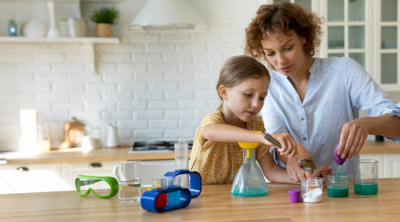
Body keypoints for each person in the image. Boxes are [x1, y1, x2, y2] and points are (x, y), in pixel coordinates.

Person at [244, 2, 400, 181]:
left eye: (288, 48)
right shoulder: (269, 87)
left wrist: (366, 124)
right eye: (271, 53)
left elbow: (397, 124)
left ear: (304, 37)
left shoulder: (344, 71)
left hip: (344, 193)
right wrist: (292, 154)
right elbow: (275, 139)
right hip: (295, 193)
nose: (280, 61)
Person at [189, 55, 331, 185]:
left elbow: (271, 172)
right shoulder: (214, 120)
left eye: (262, 97)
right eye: (248, 94)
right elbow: (210, 132)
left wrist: (309, 179)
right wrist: (262, 137)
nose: (256, 104)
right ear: (224, 92)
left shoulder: (255, 124)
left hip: (233, 200)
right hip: (203, 199)